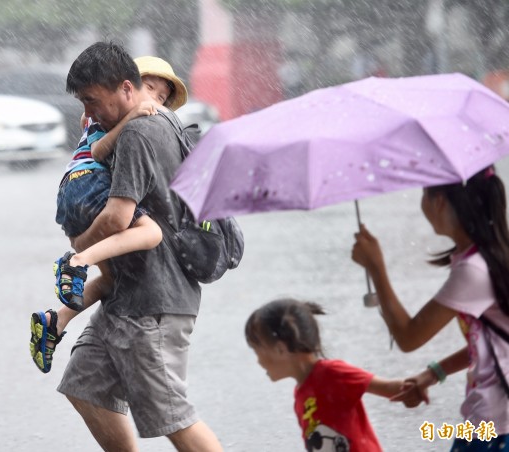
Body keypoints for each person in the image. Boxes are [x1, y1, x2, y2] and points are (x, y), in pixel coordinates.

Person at [50, 41, 223, 451]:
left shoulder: (140, 132)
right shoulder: (139, 127)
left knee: (173, 418)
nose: (89, 113)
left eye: (93, 101)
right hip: (126, 295)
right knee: (85, 387)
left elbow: (116, 217)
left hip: (153, 302)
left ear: (127, 88)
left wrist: (77, 248)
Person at [29, 55, 188, 374]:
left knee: (111, 281)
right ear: (128, 87)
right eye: (152, 89)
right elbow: (100, 152)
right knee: (151, 232)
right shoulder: (111, 120)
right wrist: (130, 121)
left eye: (162, 98)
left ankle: (54, 322)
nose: (154, 102)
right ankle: (75, 263)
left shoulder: (108, 117)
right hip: (86, 182)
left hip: (72, 192)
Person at [352, 165, 509, 451]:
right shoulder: (490, 256)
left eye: (425, 193)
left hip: (493, 427)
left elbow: (408, 336)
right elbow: (493, 342)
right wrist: (434, 373)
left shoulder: (473, 271)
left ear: (439, 202)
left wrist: (376, 267)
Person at [245, 297, 404, 452]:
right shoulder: (301, 393)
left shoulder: (333, 373)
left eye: (257, 351)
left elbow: (390, 387)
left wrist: (426, 378)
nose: (258, 361)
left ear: (280, 349)